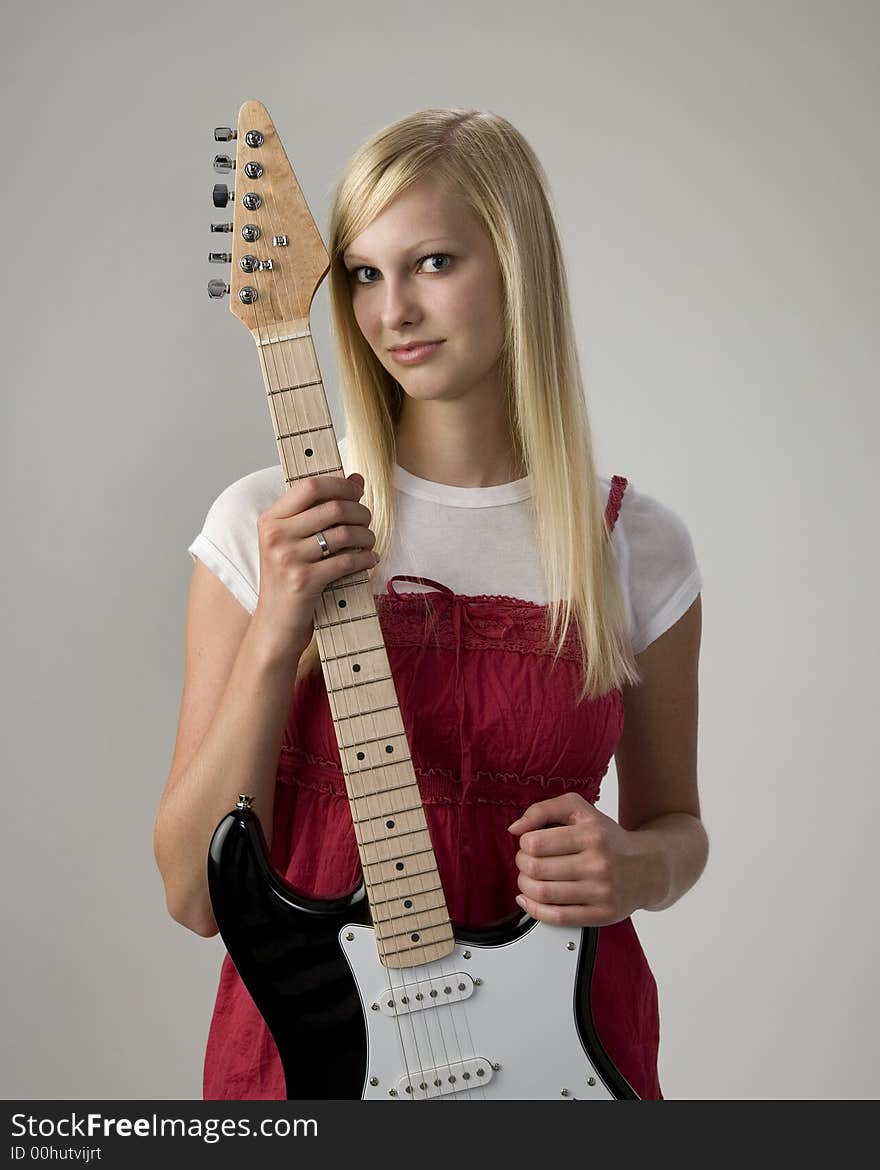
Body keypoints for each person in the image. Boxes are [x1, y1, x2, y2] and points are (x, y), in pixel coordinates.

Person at [153, 107, 707, 1101]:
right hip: (313, 1064)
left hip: (564, 1059)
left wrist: (634, 868)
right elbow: (195, 893)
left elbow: (676, 824)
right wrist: (280, 628)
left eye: (434, 263)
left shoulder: (632, 543)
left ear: (515, 265)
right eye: (364, 273)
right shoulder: (260, 525)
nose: (392, 310)